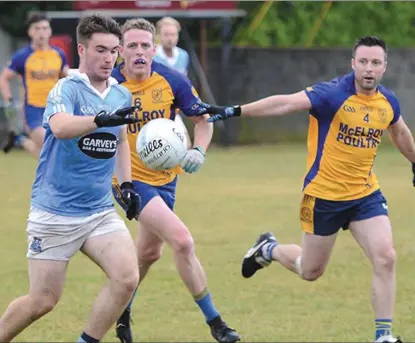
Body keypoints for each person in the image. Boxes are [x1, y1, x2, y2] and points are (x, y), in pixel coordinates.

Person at [200, 36, 415, 343]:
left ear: (384, 67)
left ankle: (383, 336)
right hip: (324, 196)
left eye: (375, 63)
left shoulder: (387, 102)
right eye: (363, 62)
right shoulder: (331, 94)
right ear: (353, 64)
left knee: (386, 258)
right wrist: (235, 111)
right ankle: (269, 249)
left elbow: (401, 131)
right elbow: (286, 102)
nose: (369, 68)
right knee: (310, 270)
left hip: (365, 195)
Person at [0, 13, 142, 343]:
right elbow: (59, 127)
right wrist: (100, 119)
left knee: (127, 278)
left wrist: (126, 185)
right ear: (82, 50)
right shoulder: (66, 88)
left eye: (114, 51)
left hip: (99, 212)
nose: (109, 58)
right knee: (43, 301)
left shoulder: (121, 94)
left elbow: (119, 142)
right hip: (55, 212)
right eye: (101, 50)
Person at [111, 18, 240, 343]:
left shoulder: (173, 80)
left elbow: (203, 120)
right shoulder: (109, 85)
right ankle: (216, 323)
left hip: (166, 178)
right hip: (129, 180)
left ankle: (120, 310)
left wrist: (199, 149)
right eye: (132, 46)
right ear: (120, 51)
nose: (139, 52)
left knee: (149, 254)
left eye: (145, 46)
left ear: (154, 49)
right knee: (181, 240)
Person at [0, 11, 69, 159]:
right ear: (30, 32)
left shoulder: (59, 54)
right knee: (48, 144)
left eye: (44, 28)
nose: (41, 32)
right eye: (37, 28)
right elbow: (3, 79)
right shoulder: (22, 56)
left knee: (48, 153)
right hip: (33, 110)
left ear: (50, 31)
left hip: (55, 108)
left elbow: (67, 77)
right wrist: (8, 100)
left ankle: (19, 139)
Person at [154, 16, 192, 149]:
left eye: (173, 34)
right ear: (159, 35)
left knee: (186, 145)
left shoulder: (183, 56)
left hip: (174, 109)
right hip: (155, 107)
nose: (170, 38)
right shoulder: (152, 56)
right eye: (166, 34)